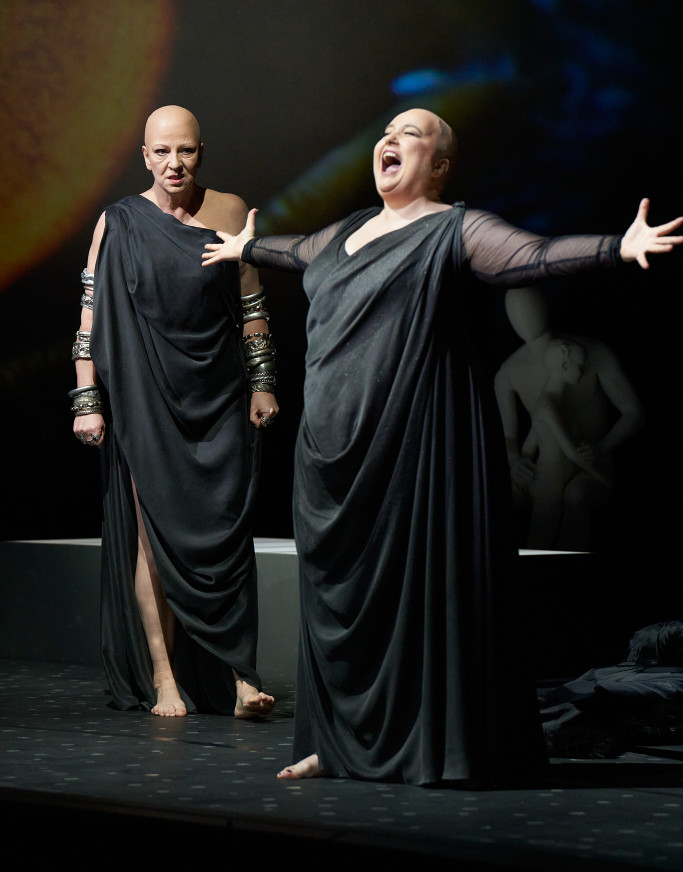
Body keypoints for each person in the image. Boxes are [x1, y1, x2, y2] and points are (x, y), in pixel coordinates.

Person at [202, 107, 682, 785]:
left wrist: (615, 247)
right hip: (329, 461)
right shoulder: (344, 232)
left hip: (410, 452)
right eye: (387, 132)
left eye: (411, 133)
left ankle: (429, 746)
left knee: (414, 603)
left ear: (440, 164)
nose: (391, 140)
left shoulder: (455, 230)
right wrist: (246, 249)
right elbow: (296, 250)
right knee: (337, 608)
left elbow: (533, 256)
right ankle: (335, 744)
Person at [71, 105, 277, 719]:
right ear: (145, 156)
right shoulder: (119, 222)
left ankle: (242, 678)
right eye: (162, 151)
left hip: (218, 395)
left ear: (200, 152)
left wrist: (263, 385)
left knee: (228, 538)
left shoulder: (230, 211)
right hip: (145, 399)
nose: (174, 163)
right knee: (151, 538)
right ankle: (165, 679)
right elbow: (89, 315)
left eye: (184, 150)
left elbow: (253, 307)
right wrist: (87, 400)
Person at [494, 288, 644, 549]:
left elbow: (634, 412)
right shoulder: (508, 374)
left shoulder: (592, 352)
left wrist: (601, 449)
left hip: (589, 457)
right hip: (552, 468)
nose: (580, 370)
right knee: (534, 520)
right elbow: (514, 435)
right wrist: (515, 460)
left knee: (574, 498)